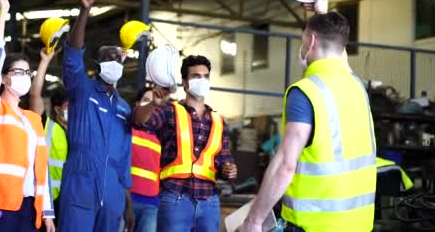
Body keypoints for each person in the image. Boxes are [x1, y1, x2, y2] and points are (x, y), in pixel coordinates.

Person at [238, 12, 376, 232]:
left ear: (311, 41)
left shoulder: (305, 92)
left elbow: (285, 164)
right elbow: (339, 54)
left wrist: (254, 221)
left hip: (313, 225)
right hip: (359, 224)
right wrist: (321, 11)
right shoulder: (358, 87)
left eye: (302, 40)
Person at [0, 0, 55, 232]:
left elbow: (41, 170)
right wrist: (3, 14)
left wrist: (47, 213)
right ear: (3, 77)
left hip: (29, 208)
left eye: (27, 73)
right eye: (18, 72)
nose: (24, 77)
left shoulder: (32, 120)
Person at [58, 0, 134, 232]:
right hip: (81, 183)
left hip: (113, 192)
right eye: (108, 58)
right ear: (96, 64)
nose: (115, 62)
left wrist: (128, 202)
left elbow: (124, 159)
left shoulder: (124, 108)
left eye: (118, 58)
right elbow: (71, 55)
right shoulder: (83, 89)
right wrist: (84, 11)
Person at [134, 55, 237, 232]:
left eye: (205, 76)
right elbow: (138, 121)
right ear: (185, 82)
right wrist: (152, 104)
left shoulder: (219, 121)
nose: (202, 80)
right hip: (175, 199)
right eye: (196, 76)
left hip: (209, 203)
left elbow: (224, 161)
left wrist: (230, 170)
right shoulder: (169, 110)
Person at [29, 51, 68, 229]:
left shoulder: (76, 133)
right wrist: (44, 63)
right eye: (69, 107)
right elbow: (35, 95)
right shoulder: (45, 124)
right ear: (58, 109)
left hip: (63, 201)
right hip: (42, 199)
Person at [126, 88, 168, 232]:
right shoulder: (128, 130)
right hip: (125, 200)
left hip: (151, 204)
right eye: (146, 100)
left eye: (155, 103)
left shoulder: (162, 137)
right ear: (137, 104)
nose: (152, 105)